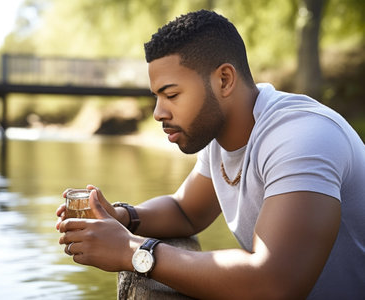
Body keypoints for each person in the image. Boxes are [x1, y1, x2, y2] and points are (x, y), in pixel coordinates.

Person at [55, 9, 365, 299]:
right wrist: (123, 217)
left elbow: (275, 283)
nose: (158, 113)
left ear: (224, 80)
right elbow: (186, 211)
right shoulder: (221, 134)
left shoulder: (302, 136)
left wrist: (133, 250)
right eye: (157, 97)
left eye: (172, 94)